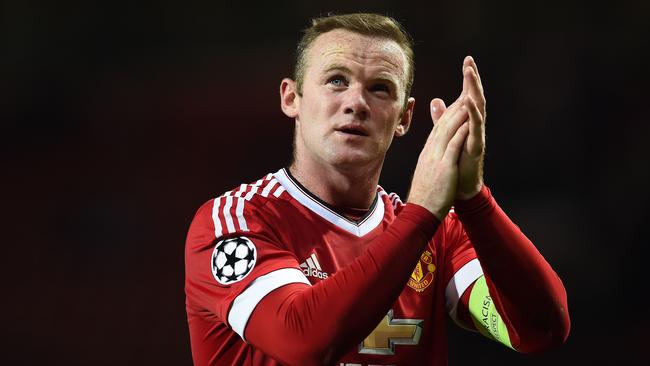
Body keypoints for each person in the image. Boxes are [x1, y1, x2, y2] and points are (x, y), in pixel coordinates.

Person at [184, 13, 570, 366]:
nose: (356, 103)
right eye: (337, 80)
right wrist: (421, 214)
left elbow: (540, 331)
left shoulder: (439, 235)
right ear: (291, 98)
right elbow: (304, 341)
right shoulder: (234, 222)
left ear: (404, 118)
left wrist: (474, 200)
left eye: (380, 89)